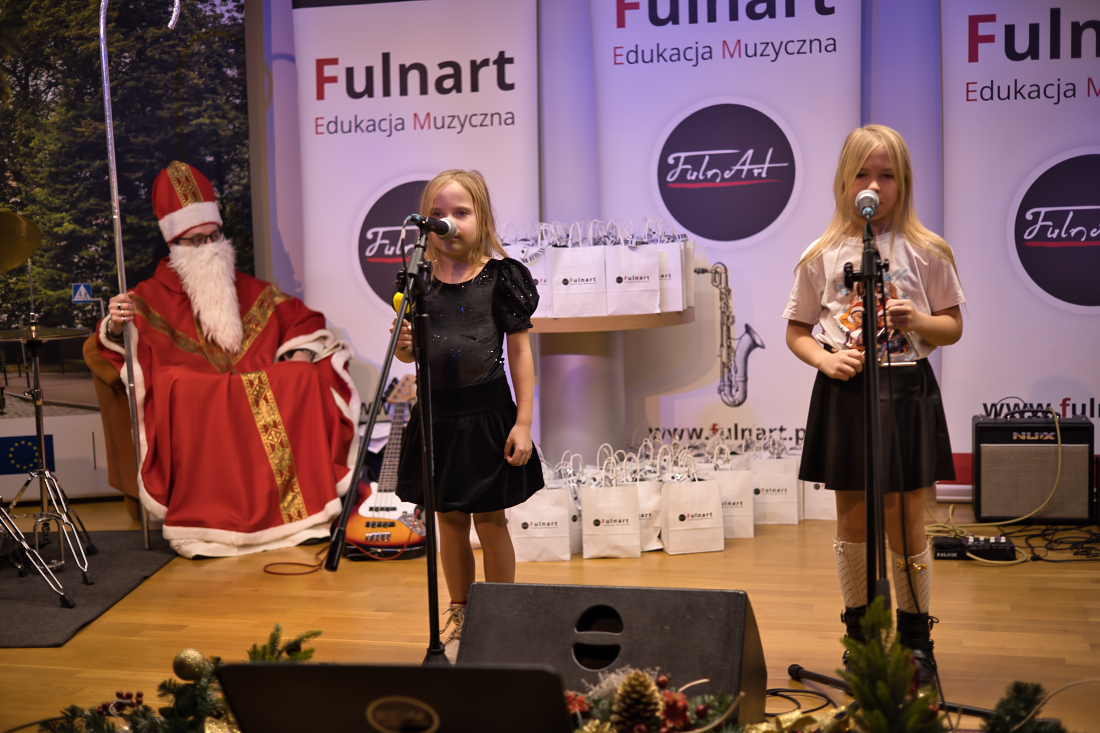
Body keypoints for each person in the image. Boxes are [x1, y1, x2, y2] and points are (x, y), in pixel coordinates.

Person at [98, 160, 360, 558]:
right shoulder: (146, 298)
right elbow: (112, 342)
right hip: (195, 391)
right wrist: (117, 326)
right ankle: (206, 523)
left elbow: (300, 319)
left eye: (214, 236)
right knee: (186, 391)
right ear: (175, 244)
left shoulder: (248, 288)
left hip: (257, 378)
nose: (208, 248)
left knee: (301, 377)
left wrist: (300, 353)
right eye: (196, 240)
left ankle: (302, 516)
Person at [782, 125, 964, 685]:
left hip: (906, 390)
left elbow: (952, 327)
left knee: (906, 514)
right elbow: (797, 330)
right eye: (862, 174)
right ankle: (859, 635)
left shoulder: (928, 251)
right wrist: (825, 359)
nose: (874, 186)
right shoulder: (820, 254)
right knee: (854, 512)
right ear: (844, 181)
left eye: (887, 176)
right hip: (848, 393)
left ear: (903, 182)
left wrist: (920, 320)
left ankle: (915, 639)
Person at [390, 169, 543, 660]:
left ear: (482, 218)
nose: (449, 222)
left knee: (490, 521)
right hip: (437, 418)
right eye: (438, 214)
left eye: (460, 212)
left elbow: (520, 353)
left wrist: (523, 422)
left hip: (487, 415)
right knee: (449, 521)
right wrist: (405, 345)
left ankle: (502, 614)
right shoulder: (418, 282)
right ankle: (460, 611)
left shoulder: (501, 278)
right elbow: (409, 355)